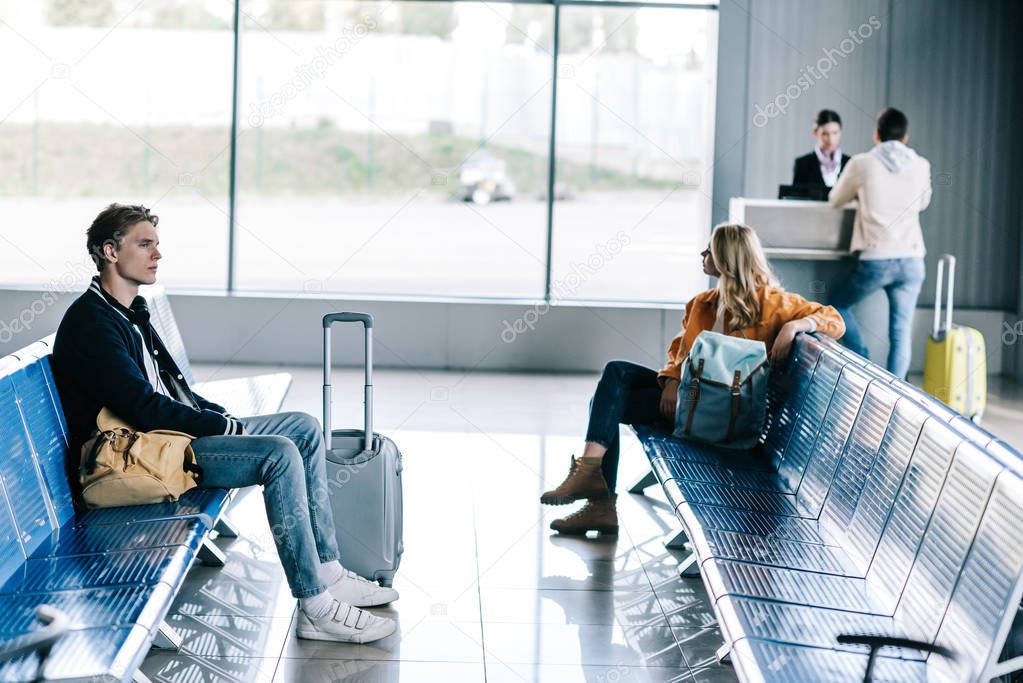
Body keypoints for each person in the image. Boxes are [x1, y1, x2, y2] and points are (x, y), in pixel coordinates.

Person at [52, 203, 398, 644]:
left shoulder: (129, 311)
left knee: (303, 428)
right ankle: (314, 605)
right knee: (278, 453)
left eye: (157, 245)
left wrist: (220, 417)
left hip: (165, 444)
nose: (157, 254)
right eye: (144, 244)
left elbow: (173, 390)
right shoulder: (92, 322)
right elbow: (142, 407)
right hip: (135, 460)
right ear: (110, 251)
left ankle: (327, 570)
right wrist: (218, 427)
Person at [539, 224, 845, 536]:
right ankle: (593, 484)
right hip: (690, 402)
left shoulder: (773, 304)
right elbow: (679, 349)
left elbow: (834, 319)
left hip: (722, 417)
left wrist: (794, 327)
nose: (702, 255)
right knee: (615, 376)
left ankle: (597, 495)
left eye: (709, 250)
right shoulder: (704, 303)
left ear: (727, 258)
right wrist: (671, 381)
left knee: (608, 402)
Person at [827, 107, 932, 379]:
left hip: (877, 258)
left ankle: (863, 362)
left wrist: (861, 198)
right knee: (900, 333)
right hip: (912, 259)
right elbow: (922, 203)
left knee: (836, 305)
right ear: (905, 138)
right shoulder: (921, 165)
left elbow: (835, 199)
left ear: (876, 135)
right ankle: (896, 400)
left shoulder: (862, 164)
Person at [792, 109, 851, 189]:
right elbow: (796, 198)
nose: (831, 139)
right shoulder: (802, 164)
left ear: (840, 132)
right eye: (825, 134)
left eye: (835, 133)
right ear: (815, 132)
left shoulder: (850, 163)